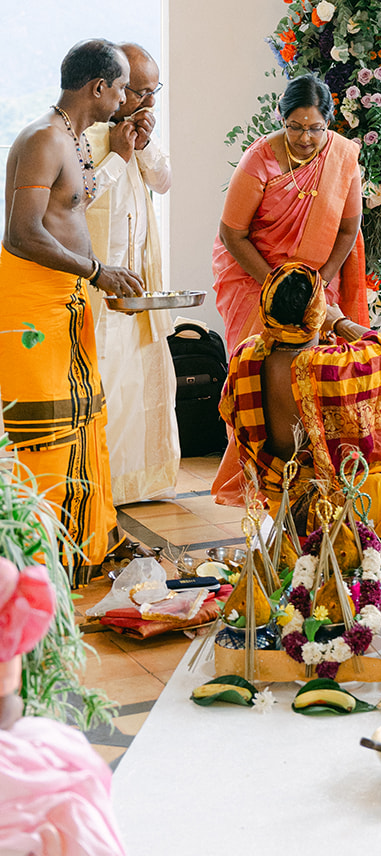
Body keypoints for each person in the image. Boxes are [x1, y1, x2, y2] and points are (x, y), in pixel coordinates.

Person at [0, 40, 143, 578]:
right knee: (43, 432)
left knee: (82, 422)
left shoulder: (72, 140)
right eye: (123, 87)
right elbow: (20, 234)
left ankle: (79, 550)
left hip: (66, 299)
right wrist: (94, 271)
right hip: (33, 303)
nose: (126, 97)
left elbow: (65, 220)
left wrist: (99, 275)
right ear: (98, 88)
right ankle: (32, 564)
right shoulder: (43, 139)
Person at [211, 73, 366, 503]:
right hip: (252, 274)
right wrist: (276, 286)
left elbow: (348, 229)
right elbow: (232, 234)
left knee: (313, 365)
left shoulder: (342, 158)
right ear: (281, 121)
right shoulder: (258, 160)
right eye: (295, 127)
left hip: (314, 276)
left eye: (315, 128)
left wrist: (319, 285)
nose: (305, 137)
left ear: (329, 124)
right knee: (253, 362)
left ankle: (306, 469)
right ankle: (251, 473)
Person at [220, 261, 381, 546]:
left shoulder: (246, 356)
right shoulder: (325, 365)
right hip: (330, 502)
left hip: (280, 494)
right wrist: (339, 321)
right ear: (318, 314)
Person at [85, 43, 180, 505]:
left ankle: (137, 484)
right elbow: (73, 202)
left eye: (152, 90)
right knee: (107, 384)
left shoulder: (139, 131)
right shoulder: (80, 134)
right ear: (112, 89)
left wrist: (140, 146)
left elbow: (163, 181)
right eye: (139, 91)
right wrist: (119, 155)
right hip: (95, 284)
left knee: (140, 383)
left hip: (139, 282)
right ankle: (100, 485)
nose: (148, 101)